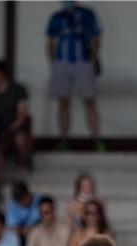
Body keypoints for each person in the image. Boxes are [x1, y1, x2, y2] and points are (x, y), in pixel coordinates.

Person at [46, 1, 103, 150]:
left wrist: (91, 59)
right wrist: (54, 63)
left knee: (89, 101)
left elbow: (96, 38)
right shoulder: (56, 17)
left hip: (83, 61)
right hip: (62, 62)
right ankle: (63, 140)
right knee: (63, 102)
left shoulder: (87, 14)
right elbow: (51, 41)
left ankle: (95, 139)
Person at [0, 59, 33, 173]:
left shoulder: (17, 89)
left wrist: (10, 128)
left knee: (20, 139)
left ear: (0, 72)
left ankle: (22, 166)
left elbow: (22, 115)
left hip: (14, 126)